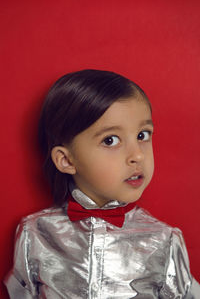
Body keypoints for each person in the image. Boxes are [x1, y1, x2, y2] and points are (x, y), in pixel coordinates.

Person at [4, 69, 200, 298]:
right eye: (111, 140)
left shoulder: (165, 240)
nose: (137, 155)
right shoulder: (34, 232)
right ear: (66, 160)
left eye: (142, 135)